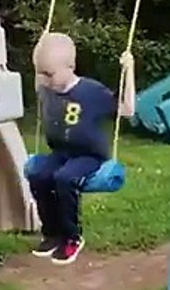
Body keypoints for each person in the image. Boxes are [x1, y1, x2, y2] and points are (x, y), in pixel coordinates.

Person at [28, 32, 135, 265]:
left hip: (88, 155)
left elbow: (127, 110)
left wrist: (129, 70)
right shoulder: (47, 89)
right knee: (38, 175)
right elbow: (40, 78)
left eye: (49, 74)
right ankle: (52, 233)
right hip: (61, 153)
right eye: (40, 74)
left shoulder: (91, 92)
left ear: (70, 67)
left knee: (64, 178)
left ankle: (71, 238)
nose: (45, 80)